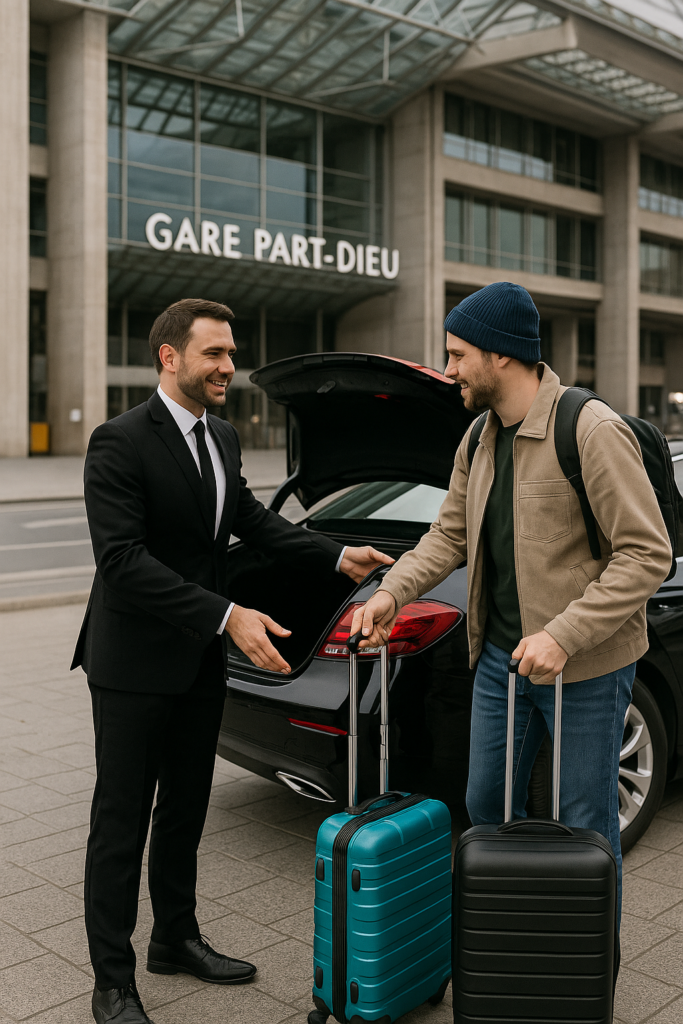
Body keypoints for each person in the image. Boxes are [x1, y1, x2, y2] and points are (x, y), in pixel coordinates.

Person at [72, 298, 394, 1024]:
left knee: (184, 809)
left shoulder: (221, 435)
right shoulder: (116, 441)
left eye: (230, 352)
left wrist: (335, 553)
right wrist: (226, 614)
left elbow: (245, 519)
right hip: (130, 666)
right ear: (170, 357)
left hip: (196, 664)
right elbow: (122, 562)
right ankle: (112, 981)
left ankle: (176, 939)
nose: (229, 367)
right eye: (215, 353)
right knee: (122, 820)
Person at [351, 280, 671, 927]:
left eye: (456, 353)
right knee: (486, 805)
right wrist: (391, 591)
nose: (447, 370)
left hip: (584, 667)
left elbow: (645, 553)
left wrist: (562, 634)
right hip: (500, 662)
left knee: (584, 822)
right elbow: (448, 536)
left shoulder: (589, 428)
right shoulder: (478, 439)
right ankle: (508, 944)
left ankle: (584, 975)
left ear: (499, 354)